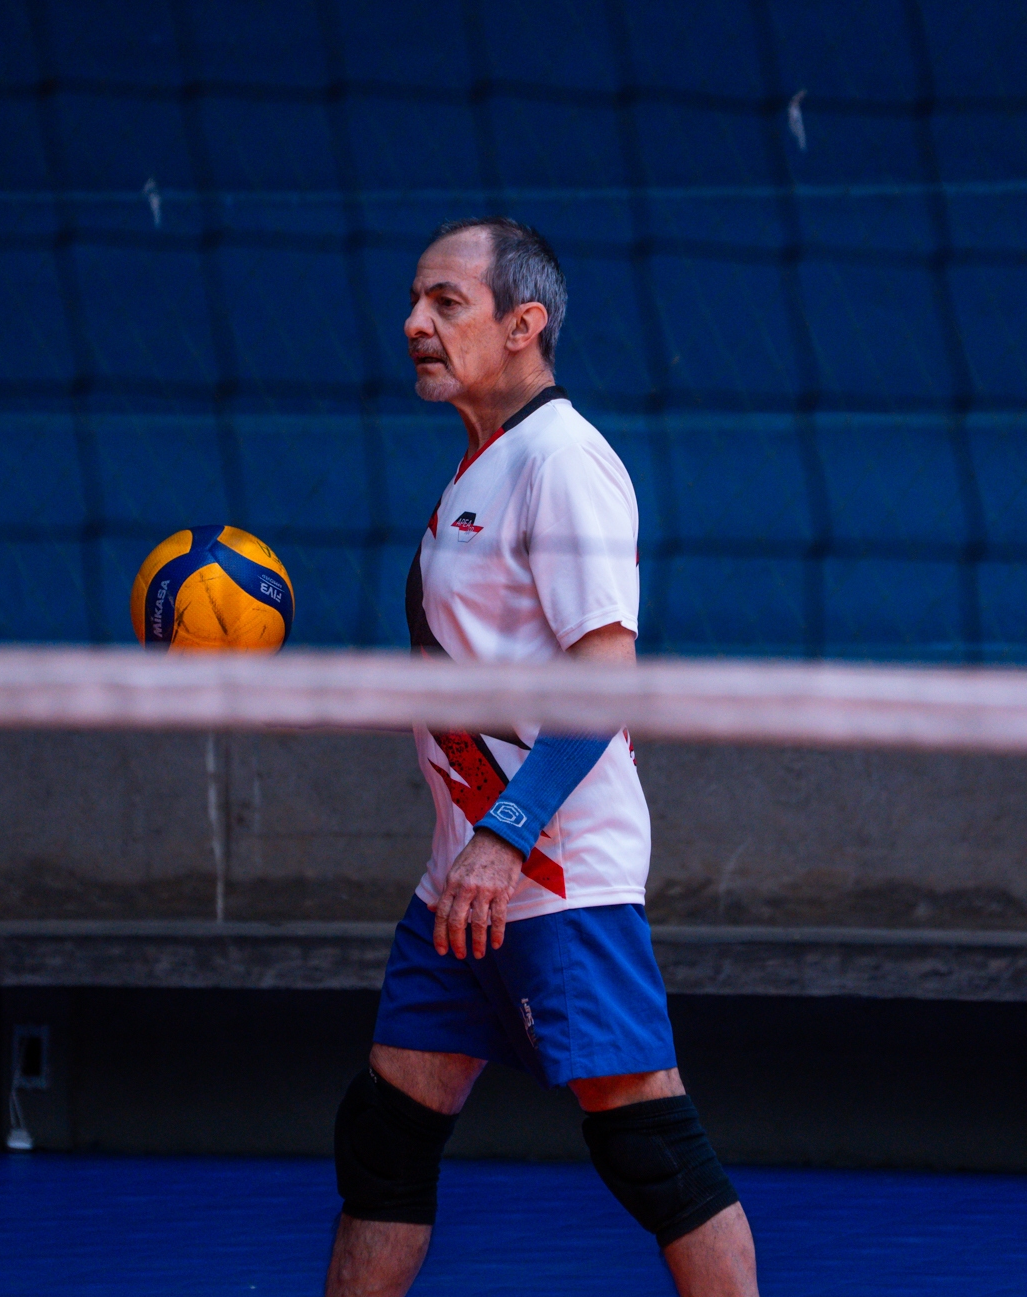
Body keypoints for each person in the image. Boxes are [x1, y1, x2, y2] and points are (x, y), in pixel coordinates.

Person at [324, 218, 759, 1297]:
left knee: (648, 1148)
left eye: (446, 303)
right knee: (382, 1139)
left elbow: (603, 680)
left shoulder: (564, 461)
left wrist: (507, 836)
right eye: (414, 301)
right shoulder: (479, 468)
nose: (414, 324)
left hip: (553, 876)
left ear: (523, 325)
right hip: (460, 884)